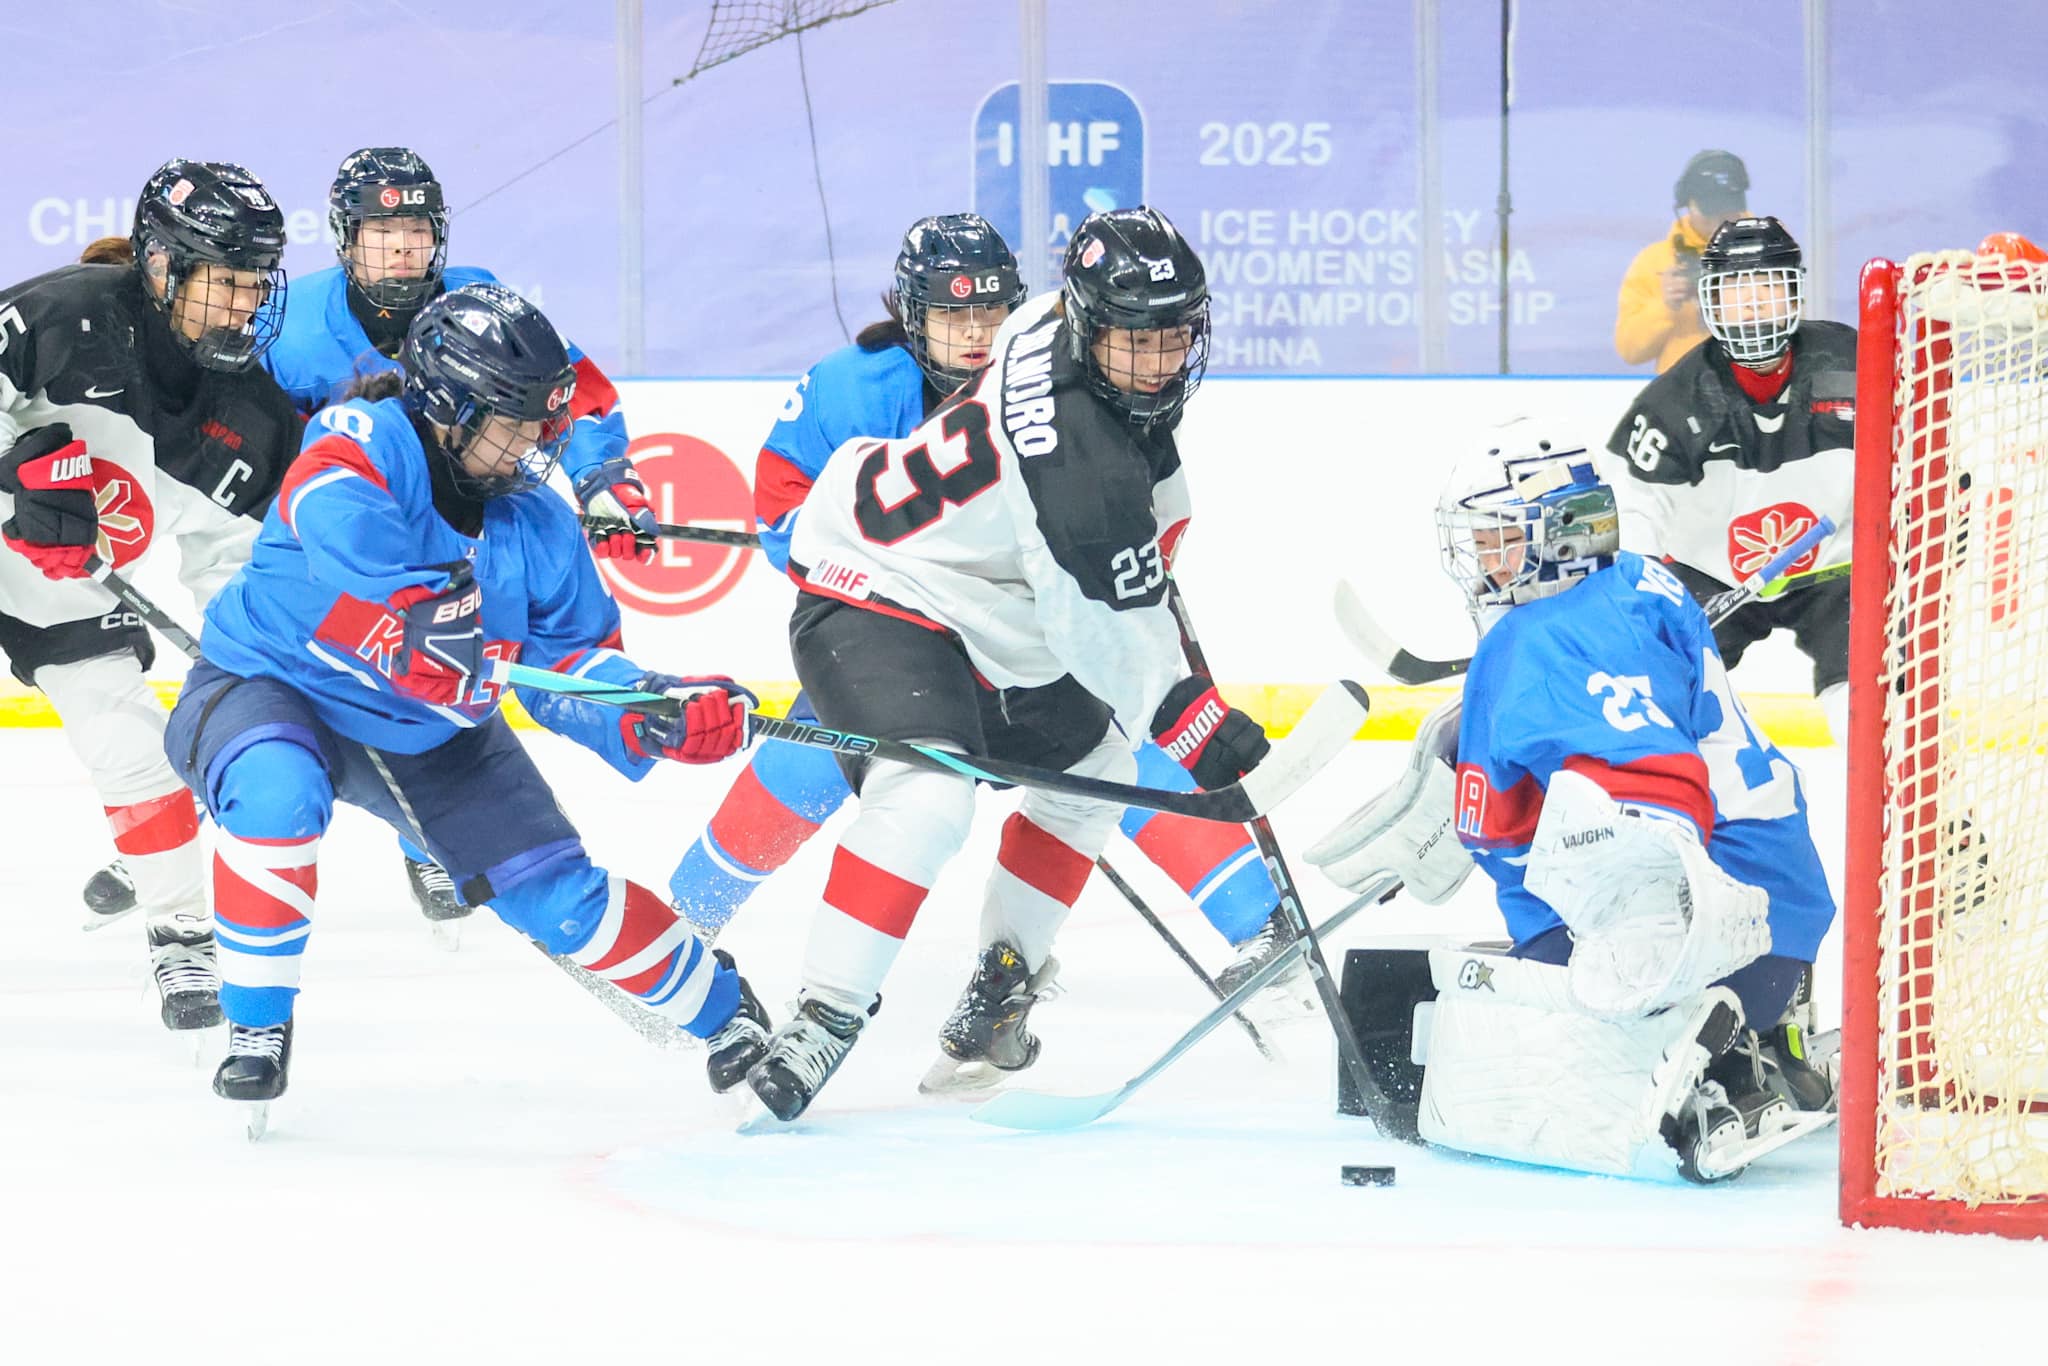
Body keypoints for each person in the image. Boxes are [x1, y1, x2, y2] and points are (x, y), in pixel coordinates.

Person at [666, 211, 1302, 1043]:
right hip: (893, 621)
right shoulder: (852, 387)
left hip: (1022, 628)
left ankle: (1258, 924)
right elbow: (785, 500)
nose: (976, 332)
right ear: (910, 315)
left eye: (991, 312)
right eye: (953, 315)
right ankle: (682, 924)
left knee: (1124, 737)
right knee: (814, 755)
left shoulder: (1057, 370)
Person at [162, 281, 767, 1110]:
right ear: (449, 406)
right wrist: (414, 603)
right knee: (276, 798)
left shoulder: (540, 529)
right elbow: (326, 507)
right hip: (273, 685)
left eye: (543, 421)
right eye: (516, 419)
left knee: (560, 901)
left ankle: (726, 1013)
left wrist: (654, 708)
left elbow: (575, 669)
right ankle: (258, 1023)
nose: (535, 442)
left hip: (433, 734)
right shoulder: (365, 435)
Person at [1306, 434, 1838, 1182]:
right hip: (1775, 923)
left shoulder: (1545, 640)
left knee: (1484, 1043)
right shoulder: (1637, 583)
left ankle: (1727, 1059)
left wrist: (1658, 960)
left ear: (1559, 537)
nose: (1480, 561)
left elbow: (1655, 799)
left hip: (1693, 951)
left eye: (1497, 540)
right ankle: (1770, 1026)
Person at [257, 146, 661, 927]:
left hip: (442, 520)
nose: (403, 247)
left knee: (452, 642)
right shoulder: (297, 325)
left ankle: (429, 831)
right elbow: (245, 429)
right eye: (382, 230)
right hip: (330, 524)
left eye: (417, 228)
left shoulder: (481, 301)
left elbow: (573, 391)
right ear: (345, 237)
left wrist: (604, 477)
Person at [0, 158, 305, 1030]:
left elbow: (233, 564)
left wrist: (259, 651)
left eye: (256, 285)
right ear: (164, 266)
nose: (245, 306)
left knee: (136, 750)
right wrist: (16, 459)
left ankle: (181, 939)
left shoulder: (252, 415)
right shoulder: (70, 313)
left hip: (61, 595)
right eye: (226, 283)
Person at [1606, 215, 1854, 742]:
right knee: (1655, 698)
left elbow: (1922, 437)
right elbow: (1634, 507)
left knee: (1868, 702)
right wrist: (1642, 590)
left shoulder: (1851, 362)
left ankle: (1912, 817)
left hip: (1839, 571)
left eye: (1767, 289)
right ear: (1712, 301)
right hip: (1713, 576)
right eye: (1738, 293)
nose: (1754, 307)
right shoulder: (1676, 399)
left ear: (1795, 295)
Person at [1614, 149, 1749, 372]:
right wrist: (1665, 305)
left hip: (1755, 389)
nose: (1720, 218)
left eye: (1728, 208)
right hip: (1681, 396)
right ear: (1688, 204)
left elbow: (1796, 327)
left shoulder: (1769, 251)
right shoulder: (1655, 262)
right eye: (1711, 209)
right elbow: (1630, 350)